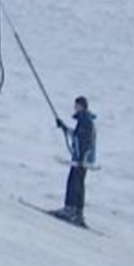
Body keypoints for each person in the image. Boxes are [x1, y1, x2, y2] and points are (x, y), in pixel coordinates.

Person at [55, 96, 96, 226]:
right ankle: (78, 211)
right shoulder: (85, 120)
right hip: (82, 159)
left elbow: (84, 141)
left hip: (81, 159)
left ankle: (70, 208)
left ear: (81, 106)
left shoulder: (85, 121)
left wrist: (80, 159)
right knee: (78, 182)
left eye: (76, 106)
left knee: (74, 182)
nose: (75, 108)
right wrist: (64, 128)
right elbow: (77, 135)